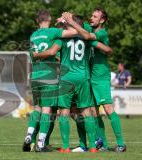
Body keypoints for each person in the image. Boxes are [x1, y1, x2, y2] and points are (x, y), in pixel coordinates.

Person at [33, 14, 112, 153]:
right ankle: (93, 147)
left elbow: (52, 51)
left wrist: (35, 54)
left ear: (68, 24)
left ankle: (65, 147)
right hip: (83, 77)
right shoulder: (86, 37)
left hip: (66, 78)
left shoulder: (61, 39)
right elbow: (106, 49)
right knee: (87, 112)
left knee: (64, 112)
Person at [62, 7, 126, 152]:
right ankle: (102, 144)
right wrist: (67, 19)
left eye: (95, 16)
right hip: (89, 76)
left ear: (102, 20)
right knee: (94, 112)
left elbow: (87, 37)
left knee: (108, 109)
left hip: (100, 77)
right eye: (92, 15)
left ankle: (121, 143)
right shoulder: (88, 28)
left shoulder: (101, 32)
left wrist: (106, 49)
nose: (91, 18)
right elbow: (78, 25)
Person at [22, 10, 80, 152]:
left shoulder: (33, 35)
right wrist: (64, 21)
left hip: (35, 75)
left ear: (37, 21)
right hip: (49, 76)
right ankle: (41, 143)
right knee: (47, 110)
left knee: (37, 108)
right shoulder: (53, 32)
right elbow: (75, 32)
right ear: (49, 19)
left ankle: (29, 136)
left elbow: (33, 55)